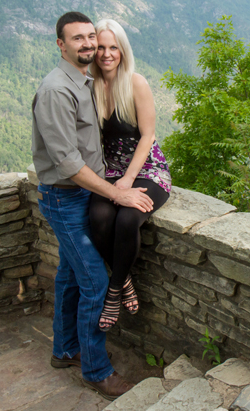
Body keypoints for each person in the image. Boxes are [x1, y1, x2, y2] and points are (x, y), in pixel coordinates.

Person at [31, 11, 153, 401]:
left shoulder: (84, 81)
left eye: (91, 38)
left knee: (69, 275)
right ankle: (96, 370)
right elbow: (67, 162)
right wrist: (118, 193)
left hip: (82, 193)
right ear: (60, 45)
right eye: (79, 39)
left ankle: (65, 349)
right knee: (96, 283)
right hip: (65, 198)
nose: (87, 46)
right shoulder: (56, 90)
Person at [88, 19, 171, 332]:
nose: (107, 54)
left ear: (122, 51)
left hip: (148, 169)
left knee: (126, 218)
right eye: (101, 47)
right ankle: (126, 281)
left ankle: (113, 291)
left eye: (113, 47)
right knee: (97, 217)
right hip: (110, 171)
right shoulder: (92, 86)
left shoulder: (135, 83)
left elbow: (148, 136)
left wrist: (127, 180)